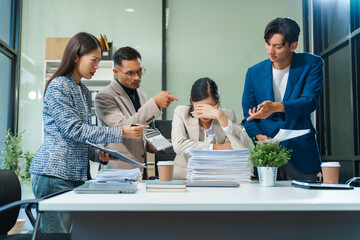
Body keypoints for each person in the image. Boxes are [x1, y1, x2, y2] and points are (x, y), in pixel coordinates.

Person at [29, 32, 148, 233]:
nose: (96, 66)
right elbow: (73, 130)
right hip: (53, 173)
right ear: (76, 56)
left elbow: (81, 137)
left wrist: (97, 154)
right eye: (93, 60)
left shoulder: (83, 91)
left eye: (99, 61)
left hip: (75, 175)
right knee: (58, 237)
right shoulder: (58, 86)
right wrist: (120, 133)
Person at [242, 17, 324, 181]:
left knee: (306, 204)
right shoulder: (254, 73)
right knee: (266, 205)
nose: (270, 51)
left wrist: (276, 107)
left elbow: (310, 101)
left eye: (277, 46)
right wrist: (259, 137)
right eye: (268, 44)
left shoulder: (311, 64)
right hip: (267, 155)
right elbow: (248, 116)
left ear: (293, 45)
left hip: (301, 152)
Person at [95, 46, 179, 176]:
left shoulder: (142, 95)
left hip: (140, 170)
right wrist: (155, 103)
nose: (136, 77)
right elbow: (123, 128)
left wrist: (153, 144)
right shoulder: (104, 96)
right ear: (116, 72)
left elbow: (147, 128)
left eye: (139, 71)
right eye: (130, 73)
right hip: (117, 171)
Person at [172, 77, 249, 179]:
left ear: (218, 103)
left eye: (210, 107)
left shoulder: (227, 114)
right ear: (191, 101)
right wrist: (218, 148)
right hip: (185, 175)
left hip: (217, 175)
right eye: (200, 107)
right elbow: (179, 145)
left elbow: (243, 148)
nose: (206, 113)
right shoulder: (181, 112)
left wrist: (221, 118)